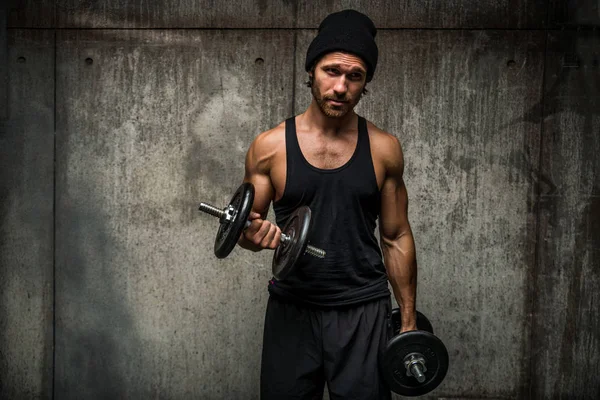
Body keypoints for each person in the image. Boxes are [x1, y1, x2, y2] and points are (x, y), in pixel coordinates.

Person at [238, 9, 417, 400]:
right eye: (331, 71)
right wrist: (254, 233)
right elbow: (247, 229)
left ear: (365, 82)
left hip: (362, 309)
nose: (341, 87)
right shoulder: (269, 148)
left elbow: (396, 234)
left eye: (354, 76)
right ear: (312, 71)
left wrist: (406, 319)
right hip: (293, 308)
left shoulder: (384, 149)